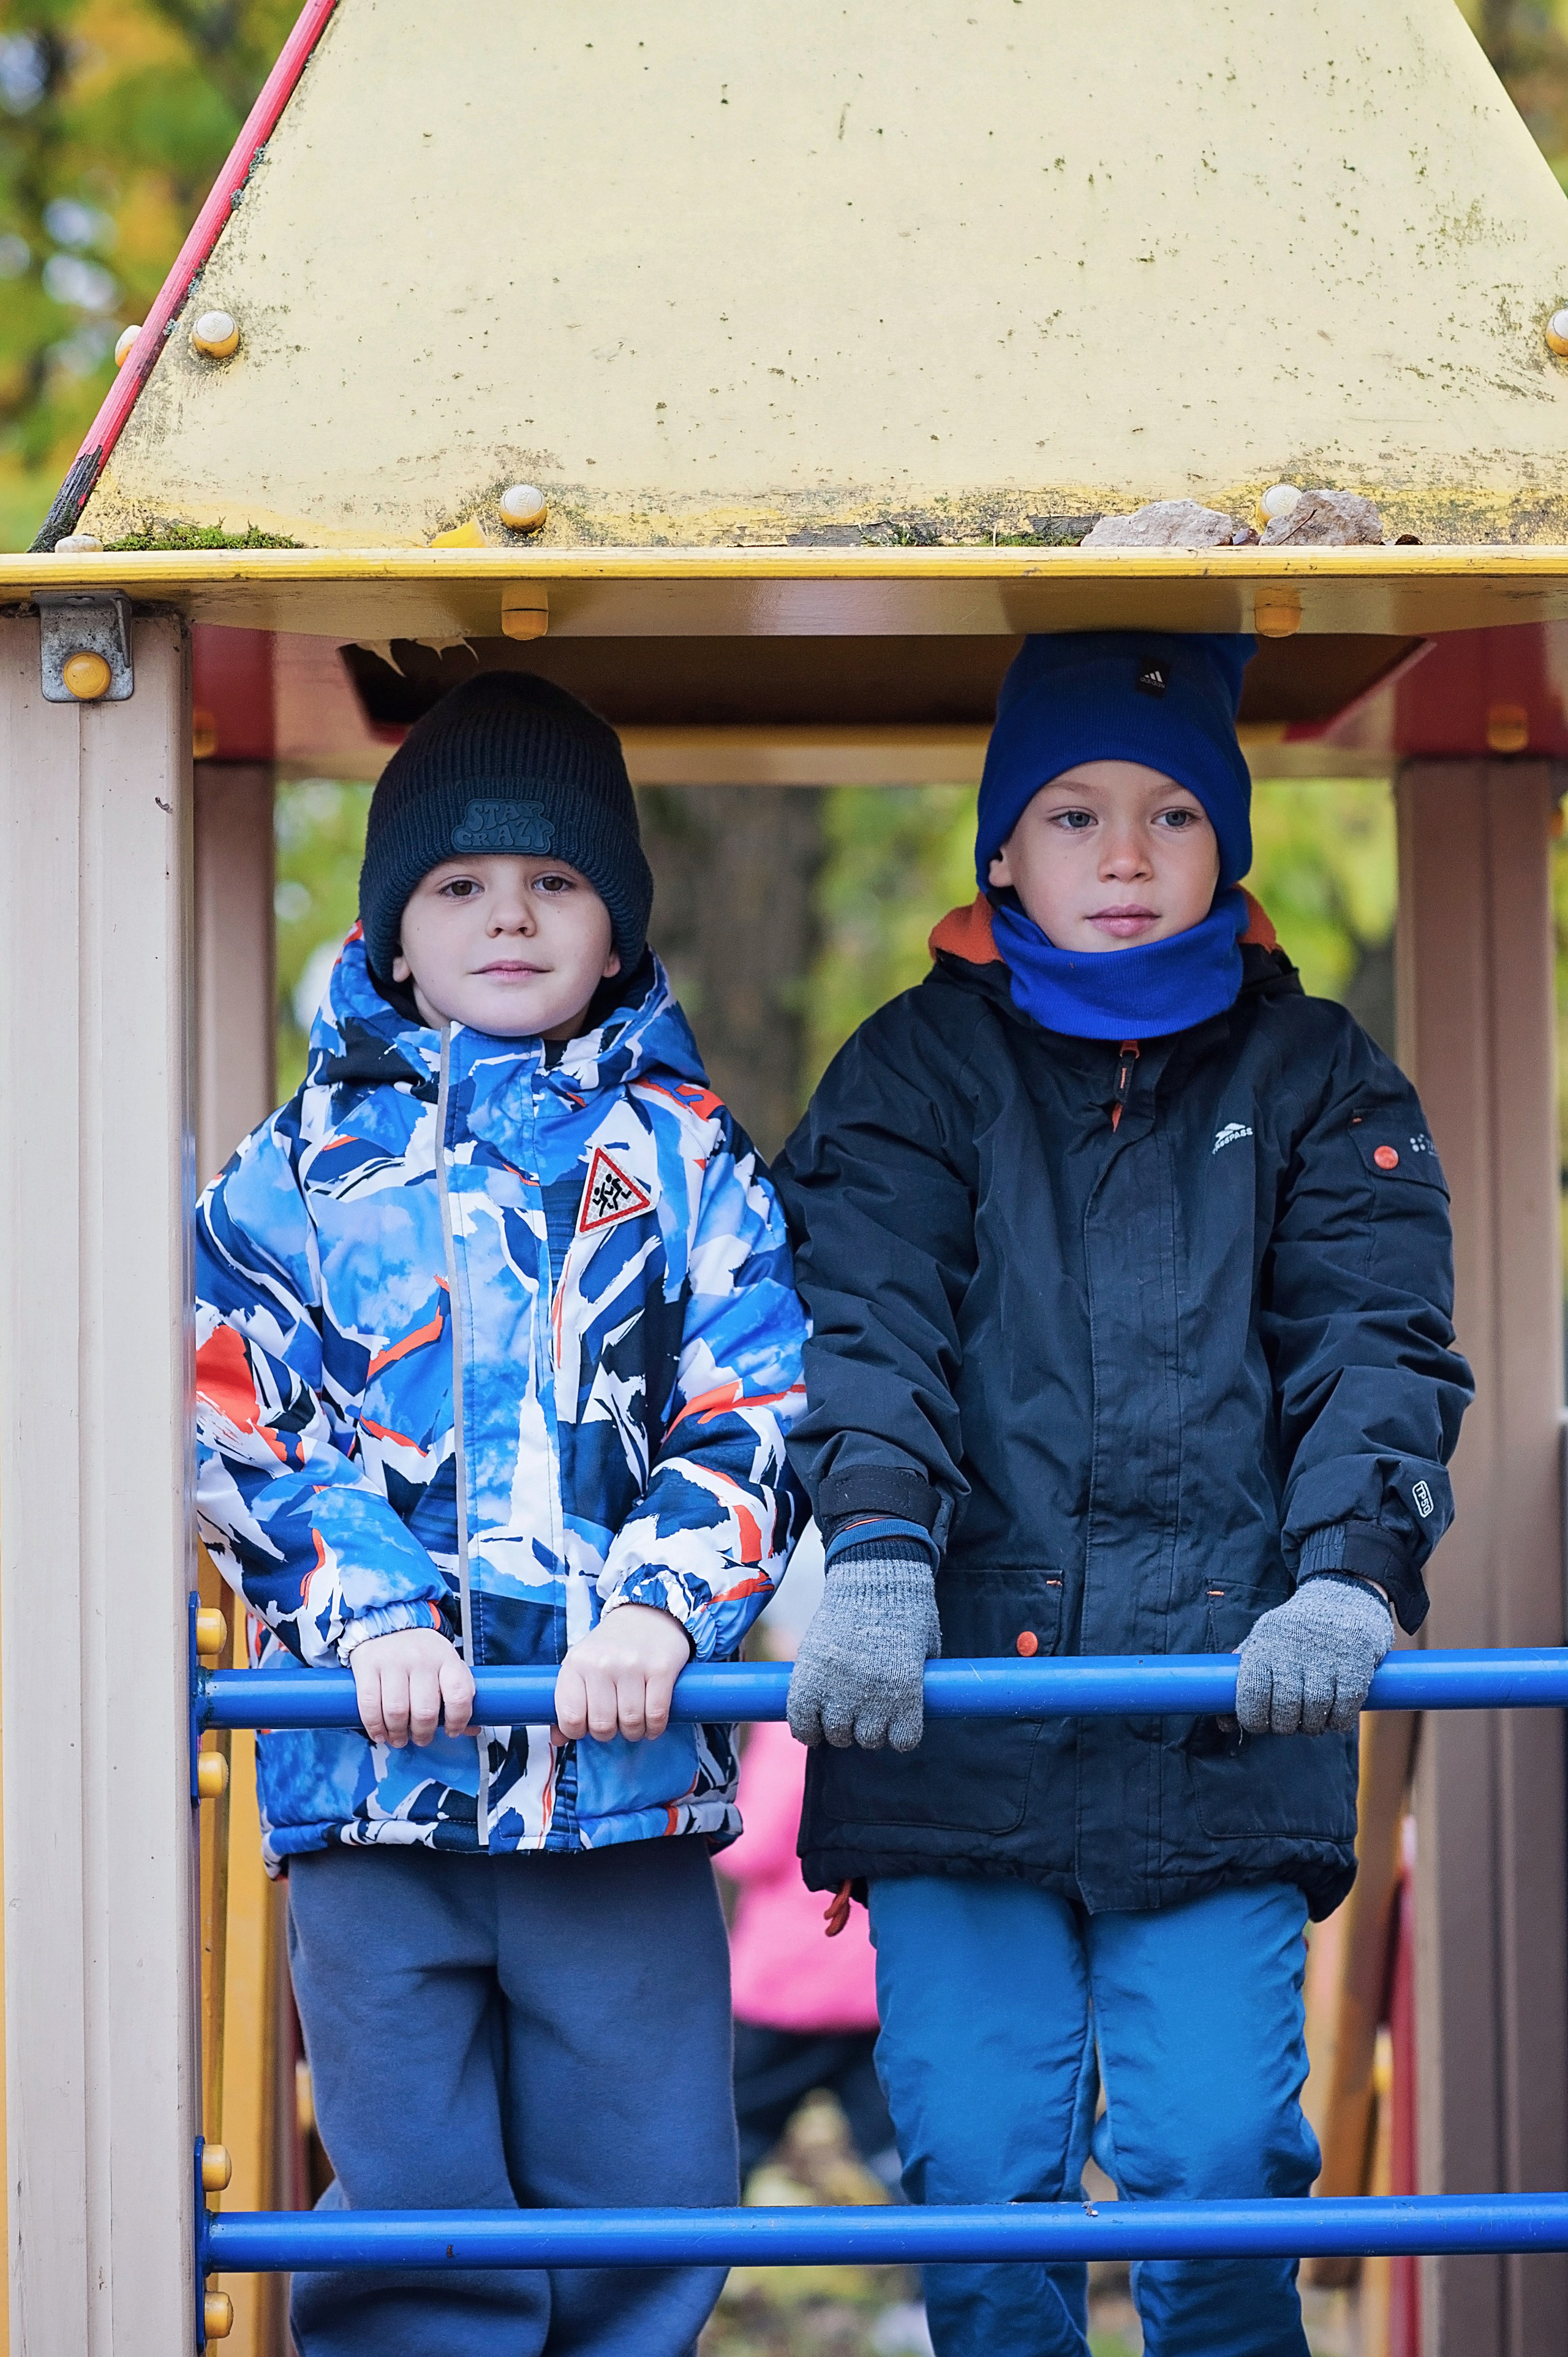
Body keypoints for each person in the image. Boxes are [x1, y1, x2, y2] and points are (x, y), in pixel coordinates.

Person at [771, 631, 1472, 2357]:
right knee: (982, 2168)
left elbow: (1374, 1337)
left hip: (1215, 1716)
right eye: (1074, 813)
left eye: (1172, 814)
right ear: (1003, 846)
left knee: (1219, 2156)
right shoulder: (911, 1075)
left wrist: (1352, 1572)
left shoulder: (1317, 1080)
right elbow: (863, 1322)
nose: (1128, 855)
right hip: (962, 1719)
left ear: (1228, 845)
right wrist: (870, 1544)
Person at [195, 671, 808, 2357]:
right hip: (373, 1785)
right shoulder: (297, 1166)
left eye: (555, 879)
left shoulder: (688, 1156)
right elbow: (231, 1401)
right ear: (397, 930)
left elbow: (756, 1399)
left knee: (649, 2186)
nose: (510, 914)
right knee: (410, 2201)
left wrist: (660, 1605)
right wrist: (366, 1604)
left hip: (618, 1786)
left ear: (618, 923)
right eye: (459, 884)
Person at [718, 1652, 900, 2195]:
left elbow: (749, 1848)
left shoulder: (793, 1720)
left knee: (731, 2137)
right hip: (874, 1982)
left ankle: (690, 2265)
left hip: (786, 1988)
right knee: (895, 2148)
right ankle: (944, 2272)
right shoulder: (894, 1702)